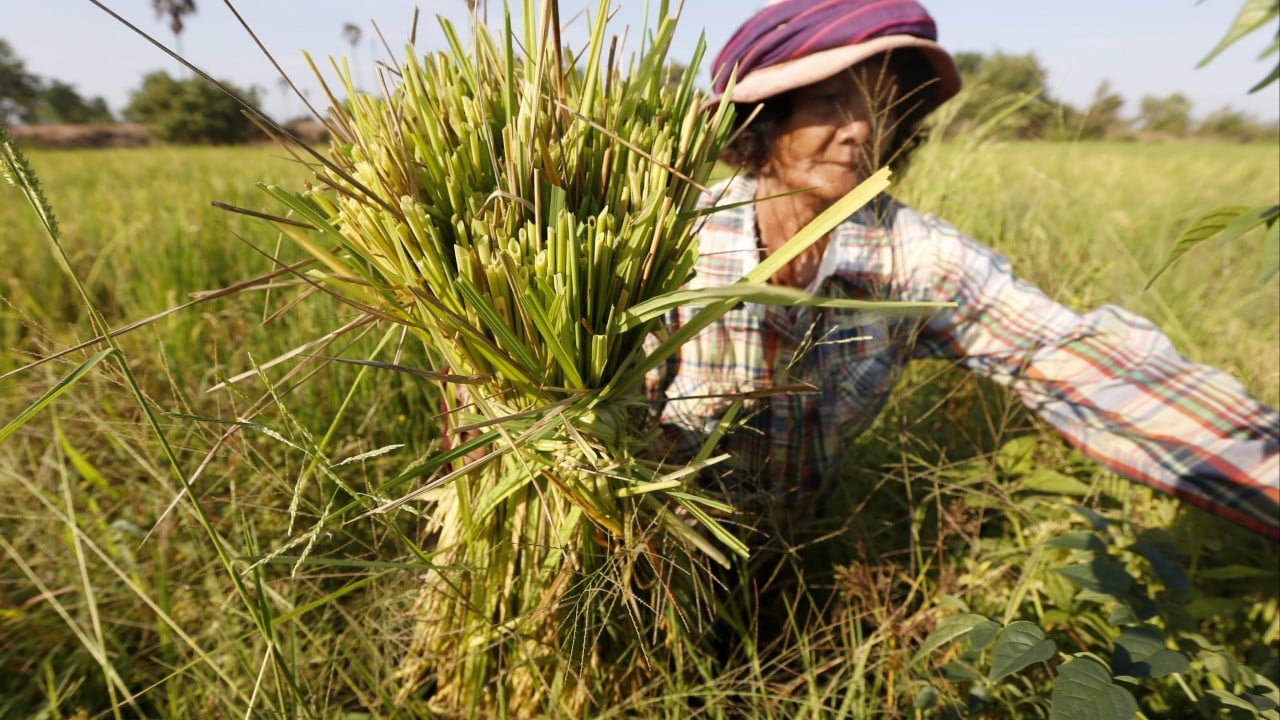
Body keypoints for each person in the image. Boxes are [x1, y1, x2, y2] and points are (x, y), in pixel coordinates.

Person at [648, 0, 1280, 540]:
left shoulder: (911, 256)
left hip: (803, 567)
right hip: (649, 561)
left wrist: (1264, 463)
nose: (860, 128)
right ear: (767, 112)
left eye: (881, 105)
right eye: (830, 100)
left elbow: (1076, 359)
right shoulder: (671, 243)